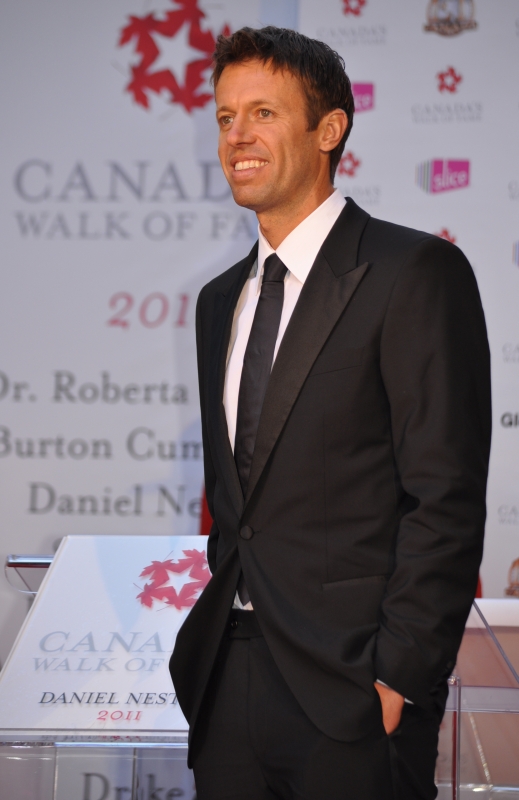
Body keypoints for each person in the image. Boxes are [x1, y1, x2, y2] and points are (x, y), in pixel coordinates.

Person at [170, 26, 491, 800]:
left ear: (329, 128)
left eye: (262, 114)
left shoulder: (412, 271)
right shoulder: (220, 300)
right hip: (229, 675)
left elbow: (441, 494)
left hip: (353, 686)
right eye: (223, 118)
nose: (236, 137)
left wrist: (399, 676)